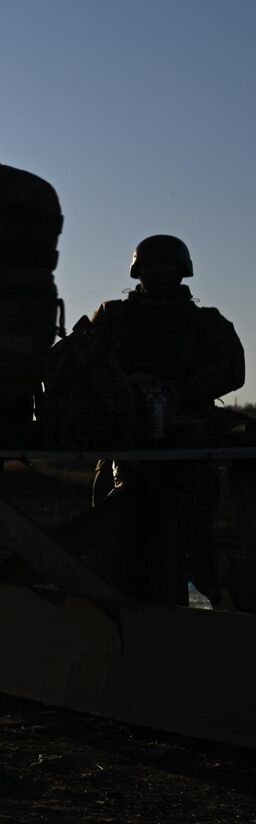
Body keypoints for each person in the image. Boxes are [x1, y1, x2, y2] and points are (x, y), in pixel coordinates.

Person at [89, 234, 244, 603]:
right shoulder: (113, 316)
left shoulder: (205, 322)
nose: (158, 273)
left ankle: (199, 617)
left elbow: (233, 369)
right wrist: (127, 394)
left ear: (181, 271)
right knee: (110, 542)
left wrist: (178, 393)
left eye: (166, 266)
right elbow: (83, 362)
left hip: (186, 446)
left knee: (195, 545)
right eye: (150, 266)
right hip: (122, 444)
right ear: (138, 272)